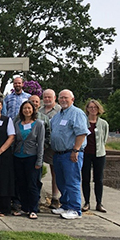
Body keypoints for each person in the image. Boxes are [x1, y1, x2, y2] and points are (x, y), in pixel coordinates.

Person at [50, 89, 90, 220]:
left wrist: (76, 150)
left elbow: (82, 133)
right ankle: (66, 205)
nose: (63, 100)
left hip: (71, 153)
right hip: (58, 154)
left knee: (72, 182)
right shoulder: (57, 116)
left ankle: (75, 209)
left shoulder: (77, 113)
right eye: (61, 98)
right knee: (61, 181)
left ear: (72, 99)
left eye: (66, 98)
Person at [13, 101, 45, 219]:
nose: (27, 110)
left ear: (33, 110)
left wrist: (39, 161)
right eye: (25, 108)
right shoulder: (17, 124)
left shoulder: (39, 124)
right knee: (21, 184)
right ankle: (24, 208)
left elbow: (41, 144)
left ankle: (33, 209)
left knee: (32, 184)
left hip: (31, 157)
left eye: (29, 108)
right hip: (18, 156)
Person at [81, 100, 109, 213]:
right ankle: (86, 202)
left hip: (99, 154)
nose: (93, 109)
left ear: (98, 109)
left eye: (95, 107)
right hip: (85, 153)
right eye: (91, 107)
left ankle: (99, 203)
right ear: (87, 109)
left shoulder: (103, 123)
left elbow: (104, 139)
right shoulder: (83, 122)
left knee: (98, 179)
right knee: (85, 178)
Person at [39, 89, 62, 208]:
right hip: (40, 145)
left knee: (55, 172)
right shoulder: (39, 110)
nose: (47, 99)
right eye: (45, 97)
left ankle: (55, 197)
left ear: (55, 97)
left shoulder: (59, 110)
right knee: (37, 170)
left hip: (53, 146)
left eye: (49, 97)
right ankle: (39, 197)